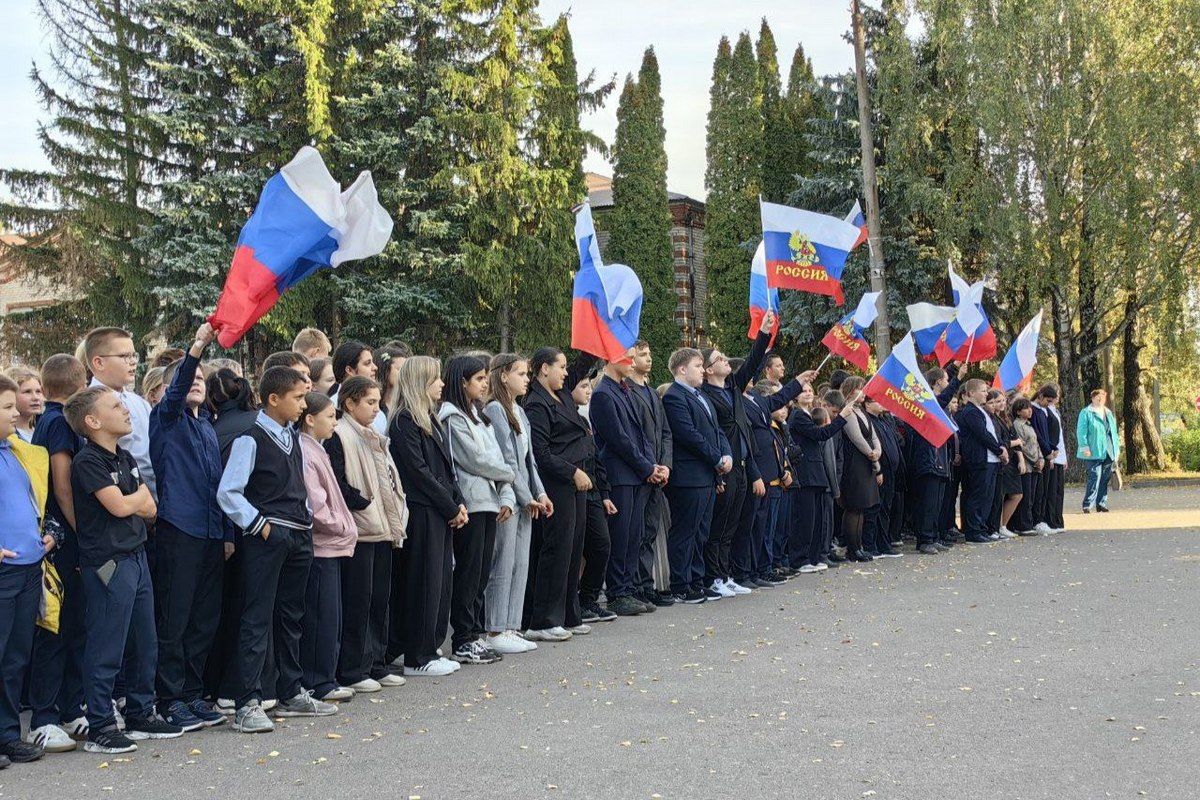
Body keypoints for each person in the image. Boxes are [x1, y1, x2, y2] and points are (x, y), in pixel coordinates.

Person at [218, 366, 337, 734]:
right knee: (256, 618)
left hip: (299, 536)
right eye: (298, 398)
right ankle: (247, 701)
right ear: (273, 399)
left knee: (291, 616)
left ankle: (291, 689)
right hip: (269, 538)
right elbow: (229, 492)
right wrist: (261, 526)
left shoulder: (292, 437)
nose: (304, 404)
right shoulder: (250, 438)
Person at [65, 385, 181, 753]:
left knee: (144, 641)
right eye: (116, 405)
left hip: (137, 555)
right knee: (107, 645)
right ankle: (100, 724)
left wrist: (133, 501)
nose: (126, 409)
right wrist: (134, 501)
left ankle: (141, 712)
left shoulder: (126, 456)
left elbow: (150, 507)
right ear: (93, 421)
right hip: (109, 563)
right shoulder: (88, 462)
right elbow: (118, 506)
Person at [149, 323, 228, 731]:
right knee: (175, 619)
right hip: (179, 530)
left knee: (203, 620)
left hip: (212, 533)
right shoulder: (167, 419)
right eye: (190, 378)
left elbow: (221, 487)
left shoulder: (206, 427)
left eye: (201, 378)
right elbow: (177, 389)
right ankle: (170, 697)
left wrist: (228, 535)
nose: (196, 383)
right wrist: (196, 349)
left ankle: (194, 694)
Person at [326, 376, 408, 690]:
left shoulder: (373, 433)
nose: (376, 408)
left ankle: (376, 662)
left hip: (382, 528)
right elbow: (338, 482)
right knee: (358, 601)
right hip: (360, 529)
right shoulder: (340, 434)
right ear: (349, 403)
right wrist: (361, 502)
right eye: (369, 402)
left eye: (377, 402)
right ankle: (353, 668)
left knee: (379, 600)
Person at [387, 356, 466, 677]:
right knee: (424, 581)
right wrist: (450, 506)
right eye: (435, 379)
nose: (442, 384)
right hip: (422, 511)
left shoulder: (428, 418)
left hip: (440, 509)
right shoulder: (404, 420)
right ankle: (417, 656)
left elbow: (446, 468)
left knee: (440, 580)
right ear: (420, 382)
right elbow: (418, 472)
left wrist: (457, 503)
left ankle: (431, 646)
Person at [26, 355, 88, 752]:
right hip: (60, 540)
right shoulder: (58, 422)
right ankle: (44, 717)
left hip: (67, 540)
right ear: (82, 379)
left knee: (75, 627)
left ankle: (69, 706)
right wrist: (83, 531)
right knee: (56, 628)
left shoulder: (55, 418)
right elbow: (62, 485)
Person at [438, 356, 515, 663]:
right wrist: (509, 475)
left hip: (492, 500)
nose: (485, 383)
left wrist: (507, 495)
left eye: (486, 378)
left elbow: (497, 456)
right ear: (463, 383)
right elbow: (475, 461)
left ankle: (475, 633)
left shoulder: (479, 415)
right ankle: (462, 637)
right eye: (479, 379)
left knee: (482, 571)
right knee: (469, 571)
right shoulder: (452, 416)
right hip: (472, 501)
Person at [523, 347, 599, 639]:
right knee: (556, 549)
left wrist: (599, 331)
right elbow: (540, 452)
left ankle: (569, 613)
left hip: (577, 481)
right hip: (558, 482)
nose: (567, 373)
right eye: (561, 367)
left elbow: (584, 362)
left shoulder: (563, 393)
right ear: (544, 369)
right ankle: (543, 620)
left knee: (573, 548)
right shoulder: (537, 404)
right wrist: (573, 472)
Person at [699, 310, 776, 597]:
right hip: (724, 464)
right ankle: (713, 576)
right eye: (718, 358)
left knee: (734, 522)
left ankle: (726, 573)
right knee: (720, 523)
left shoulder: (732, 387)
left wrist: (764, 333)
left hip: (742, 464)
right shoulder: (705, 395)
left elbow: (753, 362)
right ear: (707, 369)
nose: (725, 361)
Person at [0, 374, 53, 766]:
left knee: (16, 655)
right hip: (4, 570)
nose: (15, 412)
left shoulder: (16, 451)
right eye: (6, 408)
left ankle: (7, 735)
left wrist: (46, 535)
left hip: (28, 564)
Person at [484, 354, 551, 655]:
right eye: (521, 373)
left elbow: (530, 460)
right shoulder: (495, 410)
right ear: (502, 376)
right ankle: (495, 627)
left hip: (527, 496)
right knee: (504, 561)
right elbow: (507, 460)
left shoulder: (520, 412)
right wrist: (526, 498)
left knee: (521, 562)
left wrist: (541, 493)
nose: (527, 378)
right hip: (509, 496)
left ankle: (512, 625)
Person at [590, 353, 664, 617]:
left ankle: (629, 587)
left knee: (634, 535)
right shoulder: (602, 395)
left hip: (637, 474)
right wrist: (646, 467)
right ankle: (618, 593)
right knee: (621, 536)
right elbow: (618, 439)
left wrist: (650, 466)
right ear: (611, 360)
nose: (632, 362)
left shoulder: (624, 390)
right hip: (620, 474)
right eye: (628, 357)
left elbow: (641, 435)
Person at [298, 392, 357, 704]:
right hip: (322, 545)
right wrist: (341, 525)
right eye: (330, 416)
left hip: (332, 545)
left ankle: (326, 676)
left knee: (331, 615)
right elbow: (316, 504)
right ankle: (317, 681)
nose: (335, 421)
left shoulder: (317, 449)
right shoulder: (306, 452)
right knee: (321, 615)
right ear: (310, 419)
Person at [661, 348, 731, 603]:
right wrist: (716, 458)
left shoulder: (701, 396)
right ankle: (681, 584)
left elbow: (716, 430)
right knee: (685, 532)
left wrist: (727, 455)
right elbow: (689, 435)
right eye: (698, 366)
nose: (702, 370)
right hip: (688, 477)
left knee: (701, 532)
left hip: (707, 476)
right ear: (682, 369)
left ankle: (697, 580)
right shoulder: (674, 397)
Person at [626, 342, 675, 609]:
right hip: (641, 473)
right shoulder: (628, 391)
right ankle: (632, 586)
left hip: (657, 472)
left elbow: (665, 433)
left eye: (649, 353)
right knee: (634, 533)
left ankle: (646, 585)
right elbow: (631, 438)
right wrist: (648, 468)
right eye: (643, 354)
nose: (649, 358)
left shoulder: (652, 393)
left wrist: (665, 464)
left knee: (649, 531)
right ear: (630, 359)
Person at [82, 327, 155, 498]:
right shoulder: (88, 404)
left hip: (155, 497)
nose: (133, 362)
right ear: (99, 362)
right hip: (121, 498)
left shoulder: (140, 402)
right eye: (124, 356)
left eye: (133, 355)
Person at [567, 374, 617, 625]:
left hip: (594, 491)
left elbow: (596, 458)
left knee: (601, 545)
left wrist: (605, 493)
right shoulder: (567, 418)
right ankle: (575, 600)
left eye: (589, 386)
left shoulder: (582, 418)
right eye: (583, 386)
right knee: (577, 550)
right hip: (574, 489)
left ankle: (588, 599)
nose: (588, 391)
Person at [788, 383, 850, 572]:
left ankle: (814, 556)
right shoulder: (798, 416)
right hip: (805, 472)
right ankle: (800, 558)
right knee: (804, 519)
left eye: (809, 390)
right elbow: (820, 434)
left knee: (815, 519)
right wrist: (841, 418)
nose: (807, 393)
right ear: (795, 396)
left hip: (816, 472)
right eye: (803, 391)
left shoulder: (808, 414)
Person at [954, 379, 1009, 544]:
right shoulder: (970, 412)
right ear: (971, 393)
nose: (987, 393)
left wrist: (1002, 447)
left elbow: (993, 433)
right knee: (977, 495)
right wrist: (999, 450)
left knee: (987, 496)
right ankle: (973, 531)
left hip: (991, 459)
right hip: (979, 460)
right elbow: (982, 434)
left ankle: (981, 528)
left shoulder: (981, 411)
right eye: (983, 391)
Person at [834, 378, 881, 562]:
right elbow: (856, 437)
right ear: (852, 390)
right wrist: (870, 452)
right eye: (861, 389)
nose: (864, 392)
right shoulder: (849, 410)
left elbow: (873, 436)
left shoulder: (862, 411)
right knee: (854, 506)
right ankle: (852, 548)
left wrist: (877, 451)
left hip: (867, 462)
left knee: (862, 508)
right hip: (854, 464)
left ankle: (859, 546)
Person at [864, 397, 904, 558]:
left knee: (886, 507)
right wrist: (878, 469)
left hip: (891, 471)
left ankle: (884, 542)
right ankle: (873, 545)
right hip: (879, 471)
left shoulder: (884, 420)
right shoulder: (869, 422)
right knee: (876, 509)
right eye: (877, 400)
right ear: (867, 404)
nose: (882, 403)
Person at [988, 390, 1024, 538]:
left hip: (1012, 460)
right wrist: (1014, 442)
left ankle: (1002, 525)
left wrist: (1021, 459)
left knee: (1017, 494)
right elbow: (1002, 441)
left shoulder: (1006, 418)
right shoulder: (992, 419)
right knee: (1002, 495)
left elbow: (1016, 439)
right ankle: (998, 526)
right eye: (997, 401)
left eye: (1003, 401)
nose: (1002, 404)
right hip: (1003, 460)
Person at [1077, 389, 1120, 513]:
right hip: (1093, 450)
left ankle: (1101, 503)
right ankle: (1087, 504)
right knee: (1094, 476)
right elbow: (1081, 432)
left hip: (1108, 450)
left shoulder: (1108, 412)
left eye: (1102, 398)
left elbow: (1114, 433)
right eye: (1098, 398)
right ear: (1092, 398)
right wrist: (1084, 447)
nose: (1100, 400)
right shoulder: (1086, 412)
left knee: (1105, 477)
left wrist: (1116, 450)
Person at [1030, 385, 1062, 534]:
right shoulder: (1034, 410)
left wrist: (1052, 448)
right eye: (1047, 400)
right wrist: (1048, 450)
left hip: (1047, 453)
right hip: (1039, 454)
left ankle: (1042, 519)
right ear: (1040, 396)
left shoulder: (1044, 411)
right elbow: (1037, 434)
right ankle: (1038, 520)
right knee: (1039, 490)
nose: (1048, 404)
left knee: (1044, 490)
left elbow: (1046, 435)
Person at [1011, 397, 1043, 535]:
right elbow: (1021, 445)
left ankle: (1029, 522)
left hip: (1035, 465)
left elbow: (1035, 444)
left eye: (1030, 407)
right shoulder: (1018, 425)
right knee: (1026, 496)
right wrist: (1034, 459)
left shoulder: (1029, 424)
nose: (1030, 410)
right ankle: (1023, 525)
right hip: (1026, 465)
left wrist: (1041, 458)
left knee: (1032, 496)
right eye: (1026, 408)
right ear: (1018, 411)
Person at [9, 366, 44, 442]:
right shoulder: (6, 437)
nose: (35, 398)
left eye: (38, 391)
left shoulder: (43, 431)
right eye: (27, 392)